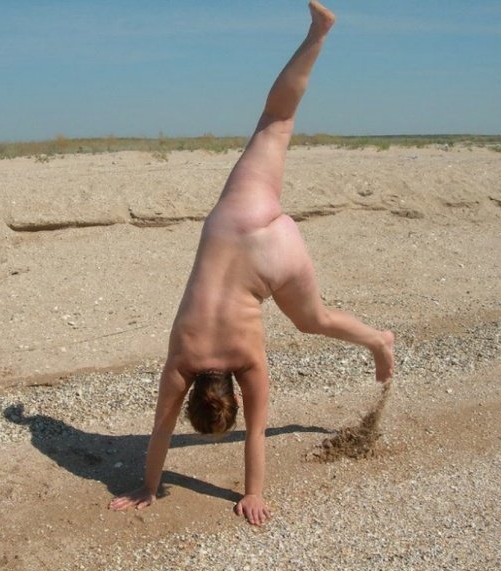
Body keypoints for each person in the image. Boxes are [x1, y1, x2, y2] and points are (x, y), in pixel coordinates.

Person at [109, 1, 394, 526]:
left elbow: (256, 434)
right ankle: (318, 32)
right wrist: (148, 484)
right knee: (276, 119)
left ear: (232, 398)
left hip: (276, 255)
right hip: (236, 221)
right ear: (192, 394)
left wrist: (252, 495)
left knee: (315, 319)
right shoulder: (181, 362)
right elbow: (160, 432)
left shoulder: (248, 364)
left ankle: (378, 340)